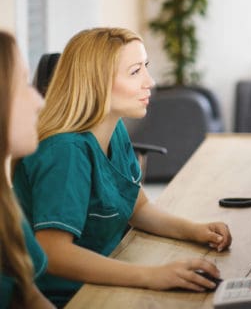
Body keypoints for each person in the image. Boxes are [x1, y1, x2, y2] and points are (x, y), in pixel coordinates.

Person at [12, 28, 232, 307]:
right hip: (71, 297)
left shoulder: (113, 129)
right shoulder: (64, 151)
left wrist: (195, 230)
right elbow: (54, 253)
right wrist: (152, 276)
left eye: (146, 68)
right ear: (97, 82)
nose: (149, 82)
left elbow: (137, 209)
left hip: (111, 268)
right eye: (135, 72)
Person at [0, 31, 54, 308]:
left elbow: (29, 295)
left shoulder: (4, 201)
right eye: (21, 83)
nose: (39, 101)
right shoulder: (63, 150)